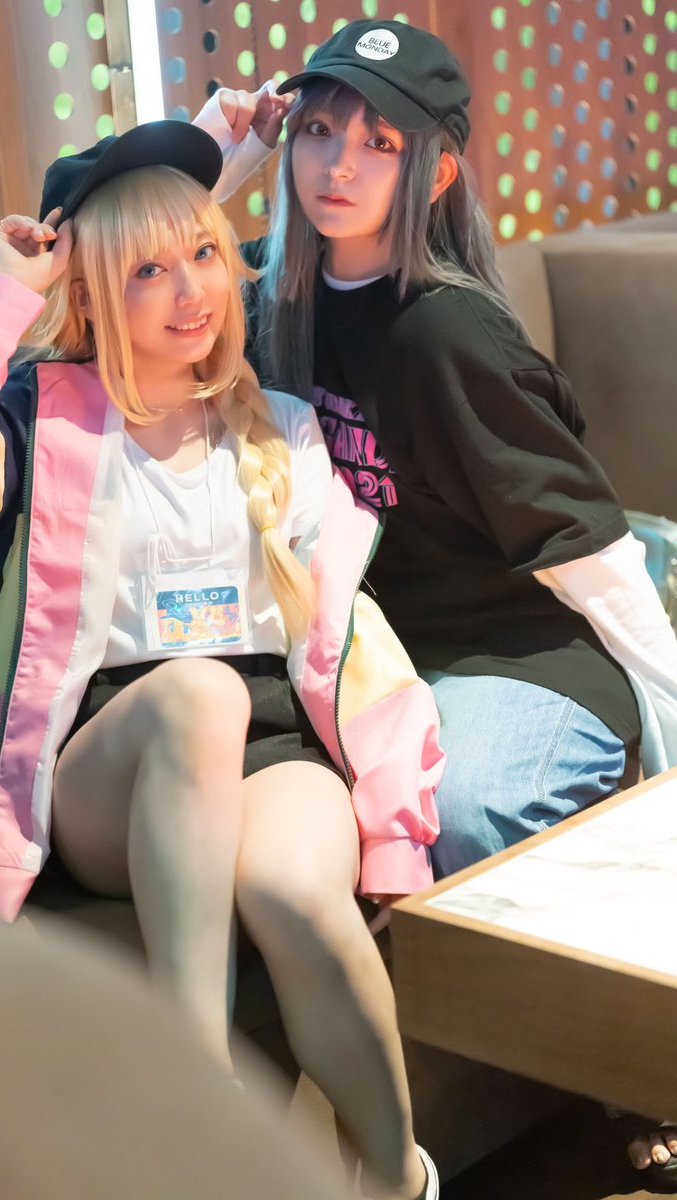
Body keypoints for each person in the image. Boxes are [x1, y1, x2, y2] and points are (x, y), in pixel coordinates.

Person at [0, 119, 444, 1200]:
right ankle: (194, 1107)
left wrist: (390, 802)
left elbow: (341, 631)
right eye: (147, 269)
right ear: (90, 296)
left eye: (204, 253)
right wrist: (4, 290)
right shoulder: (37, 426)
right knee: (195, 698)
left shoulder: (282, 426)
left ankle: (396, 1178)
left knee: (294, 890)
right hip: (113, 754)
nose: (192, 291)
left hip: (274, 738)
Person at [197, 19, 677, 1187]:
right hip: (383, 665)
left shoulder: (444, 331)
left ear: (435, 170)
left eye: (379, 142)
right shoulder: (271, 303)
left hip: (524, 655)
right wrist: (221, 153)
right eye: (318, 131)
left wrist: (668, 719)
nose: (337, 164)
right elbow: (123, 254)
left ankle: (619, 1071)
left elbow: (584, 547)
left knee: (448, 814)